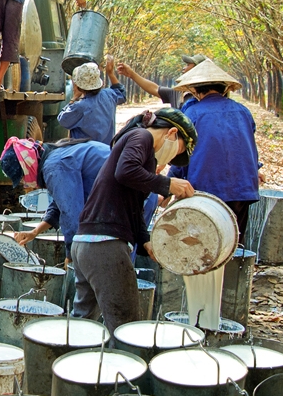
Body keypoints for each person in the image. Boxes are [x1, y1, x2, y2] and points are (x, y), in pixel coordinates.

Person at [71, 108, 197, 330]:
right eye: (179, 150)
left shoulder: (143, 155)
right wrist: (168, 184)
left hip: (86, 244)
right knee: (125, 327)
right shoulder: (142, 136)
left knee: (83, 325)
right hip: (105, 246)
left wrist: (145, 240)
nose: (173, 158)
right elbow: (125, 171)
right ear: (172, 133)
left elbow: (133, 207)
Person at [169, 60, 260, 237]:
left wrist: (169, 184)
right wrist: (256, 168)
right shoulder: (243, 111)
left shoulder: (192, 113)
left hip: (206, 187)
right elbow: (245, 144)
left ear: (195, 90)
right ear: (224, 88)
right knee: (234, 239)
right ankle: (235, 265)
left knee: (204, 242)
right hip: (242, 187)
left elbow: (181, 153)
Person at [0, 137, 111, 260]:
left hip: (118, 187)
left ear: (27, 167)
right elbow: (59, 203)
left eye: (22, 179)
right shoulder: (54, 156)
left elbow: (71, 213)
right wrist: (34, 232)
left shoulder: (54, 167)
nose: (24, 183)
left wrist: (71, 254)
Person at [57, 58, 126, 144]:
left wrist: (74, 98)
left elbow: (62, 120)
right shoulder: (109, 95)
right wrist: (110, 73)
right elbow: (121, 93)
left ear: (78, 86)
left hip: (85, 154)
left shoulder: (80, 107)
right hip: (107, 152)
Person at [116, 54, 206, 111]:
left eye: (187, 65)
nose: (183, 68)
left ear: (197, 69)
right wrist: (132, 74)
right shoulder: (178, 92)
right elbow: (155, 88)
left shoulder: (207, 96)